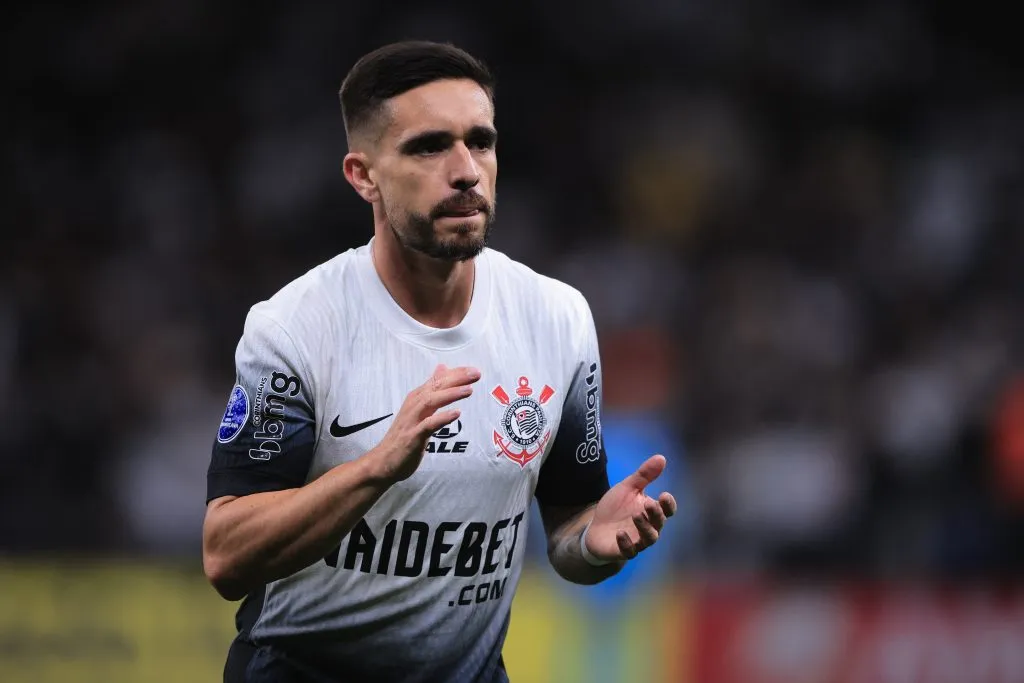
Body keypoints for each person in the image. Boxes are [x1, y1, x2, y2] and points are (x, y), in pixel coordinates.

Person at [202, 40, 677, 683]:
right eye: (429, 147)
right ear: (363, 175)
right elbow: (226, 556)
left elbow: (570, 525)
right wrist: (376, 468)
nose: (466, 171)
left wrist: (594, 545)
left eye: (480, 142)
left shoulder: (558, 318)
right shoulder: (295, 328)